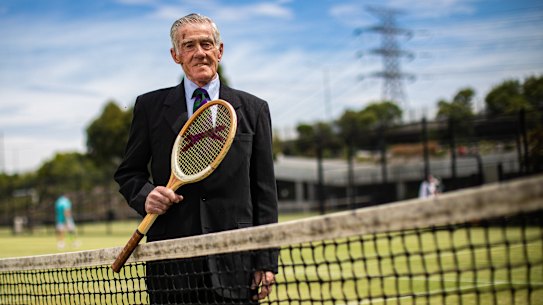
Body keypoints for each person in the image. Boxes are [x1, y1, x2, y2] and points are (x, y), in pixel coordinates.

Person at [114, 13, 278, 304]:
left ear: (220, 50)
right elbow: (129, 173)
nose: (199, 52)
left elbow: (264, 192)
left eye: (206, 44)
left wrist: (265, 262)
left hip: (236, 264)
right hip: (171, 266)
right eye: (189, 45)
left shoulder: (254, 109)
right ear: (175, 55)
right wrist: (146, 196)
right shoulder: (149, 107)